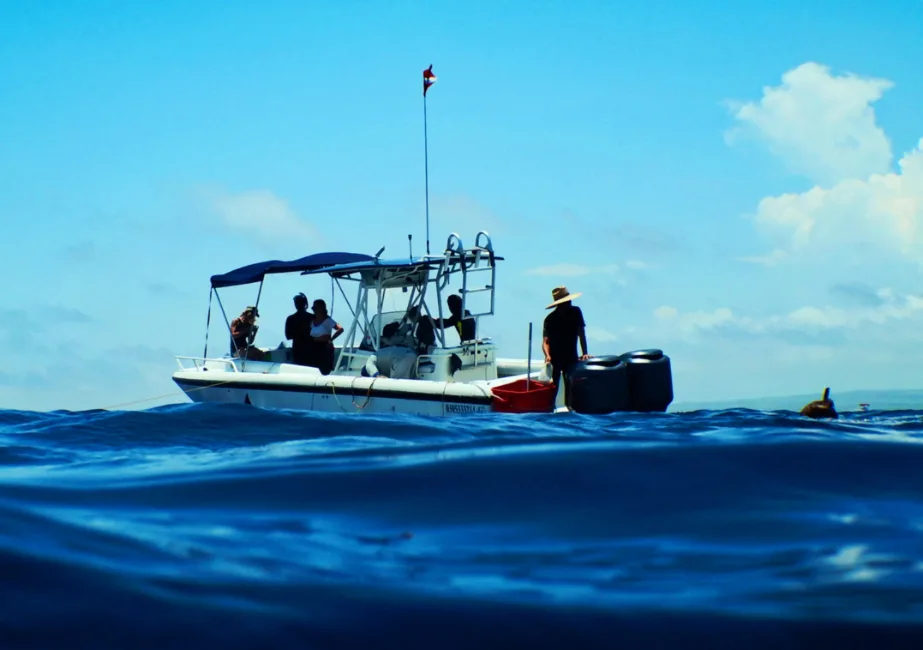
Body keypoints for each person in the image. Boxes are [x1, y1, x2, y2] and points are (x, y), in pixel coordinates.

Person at [542, 286, 589, 409]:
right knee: (553, 387)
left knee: (571, 385)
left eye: (569, 301)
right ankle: (550, 409)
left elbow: (581, 334)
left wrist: (585, 353)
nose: (569, 303)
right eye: (566, 302)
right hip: (555, 358)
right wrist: (547, 356)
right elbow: (545, 342)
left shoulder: (576, 312)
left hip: (571, 356)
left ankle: (571, 409)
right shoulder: (550, 319)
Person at [308, 298, 344, 374]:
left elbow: (340, 329)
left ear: (321, 309)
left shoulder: (328, 320)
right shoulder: (312, 322)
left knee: (325, 370)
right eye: (313, 308)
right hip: (314, 349)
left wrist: (331, 339)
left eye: (316, 308)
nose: (314, 310)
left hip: (325, 348)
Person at [284, 292, 314, 365]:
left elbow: (288, 336)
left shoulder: (291, 319)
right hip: (308, 349)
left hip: (301, 349)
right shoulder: (312, 317)